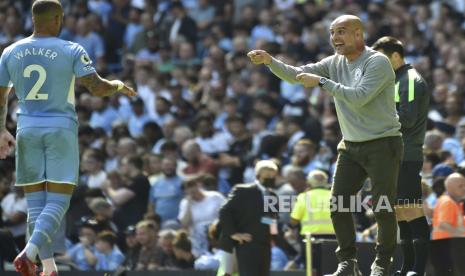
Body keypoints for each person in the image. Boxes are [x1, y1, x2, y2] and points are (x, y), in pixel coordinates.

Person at [248, 15, 403, 276]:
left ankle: (382, 263)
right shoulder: (334, 62)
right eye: (332, 33)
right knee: (337, 204)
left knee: (382, 206)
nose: (335, 38)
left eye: (341, 32)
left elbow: (359, 98)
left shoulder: (378, 62)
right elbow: (297, 75)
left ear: (358, 34)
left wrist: (321, 82)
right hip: (351, 145)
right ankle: (348, 263)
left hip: (383, 142)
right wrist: (269, 61)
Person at [0, 1, 136, 275]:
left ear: (33, 19)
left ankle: (48, 269)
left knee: (36, 206)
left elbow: (0, 95)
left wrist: (1, 130)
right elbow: (97, 88)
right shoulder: (71, 49)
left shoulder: (10, 51)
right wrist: (119, 85)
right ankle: (29, 252)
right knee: (59, 201)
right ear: (59, 18)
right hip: (60, 128)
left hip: (26, 128)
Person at [372, 36, 431, 276]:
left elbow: (406, 118)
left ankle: (418, 269)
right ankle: (407, 267)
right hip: (393, 154)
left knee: (411, 209)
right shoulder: (396, 79)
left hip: (406, 153)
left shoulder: (410, 80)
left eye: (382, 58)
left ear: (396, 56)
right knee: (399, 211)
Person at [218, 160, 279, 276]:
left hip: (264, 246)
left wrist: (274, 237)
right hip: (244, 244)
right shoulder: (243, 190)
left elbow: (272, 219)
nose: (271, 178)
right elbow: (225, 211)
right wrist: (233, 233)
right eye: (268, 175)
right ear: (258, 175)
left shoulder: (272, 196)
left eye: (273, 175)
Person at [431, 173, 465, 275]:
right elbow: (444, 224)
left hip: (447, 248)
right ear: (450, 187)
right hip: (447, 248)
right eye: (460, 186)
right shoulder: (448, 202)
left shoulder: (452, 202)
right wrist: (462, 233)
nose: (464, 188)